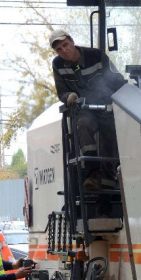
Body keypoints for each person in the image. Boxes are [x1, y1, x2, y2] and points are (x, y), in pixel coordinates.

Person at [50, 29, 126, 190]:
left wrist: (127, 96)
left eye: (65, 44)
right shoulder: (58, 64)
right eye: (59, 49)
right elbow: (62, 91)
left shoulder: (96, 56)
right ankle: (93, 172)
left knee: (109, 137)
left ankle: (108, 179)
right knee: (83, 124)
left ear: (72, 41)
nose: (64, 50)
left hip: (108, 108)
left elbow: (116, 80)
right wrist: (69, 96)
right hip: (85, 109)